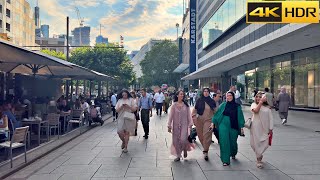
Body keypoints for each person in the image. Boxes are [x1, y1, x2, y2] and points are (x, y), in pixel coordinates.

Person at [210, 92, 245, 166]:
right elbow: (217, 114)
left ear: (233, 96)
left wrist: (241, 127)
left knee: (233, 141)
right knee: (224, 141)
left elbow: (240, 116)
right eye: (227, 96)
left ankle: (233, 152)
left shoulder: (237, 106)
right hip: (223, 124)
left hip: (234, 125)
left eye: (230, 95)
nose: (229, 97)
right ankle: (225, 160)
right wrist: (213, 123)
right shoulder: (223, 105)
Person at [168, 90, 194, 161]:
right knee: (175, 141)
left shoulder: (186, 105)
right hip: (175, 126)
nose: (182, 95)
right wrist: (169, 125)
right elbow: (170, 116)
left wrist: (190, 124)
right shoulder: (174, 105)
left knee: (183, 139)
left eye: (183, 94)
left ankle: (185, 148)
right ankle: (178, 155)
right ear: (177, 95)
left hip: (184, 125)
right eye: (181, 94)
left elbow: (189, 115)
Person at [250, 92, 274, 168]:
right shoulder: (254, 105)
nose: (258, 98)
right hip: (255, 127)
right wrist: (260, 102)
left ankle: (259, 157)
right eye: (257, 97)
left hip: (265, 128)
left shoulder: (268, 108)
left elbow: (271, 118)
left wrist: (271, 128)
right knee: (254, 144)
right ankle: (259, 158)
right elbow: (256, 111)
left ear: (264, 98)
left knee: (265, 143)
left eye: (260, 97)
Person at [192, 88, 216, 161]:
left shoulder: (212, 101)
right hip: (199, 120)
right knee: (200, 135)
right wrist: (194, 118)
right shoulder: (199, 100)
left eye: (207, 91)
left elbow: (215, 111)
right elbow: (194, 110)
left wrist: (214, 121)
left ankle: (206, 151)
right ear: (203, 92)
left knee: (207, 134)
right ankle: (205, 147)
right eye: (204, 91)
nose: (206, 93)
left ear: (209, 93)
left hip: (208, 120)